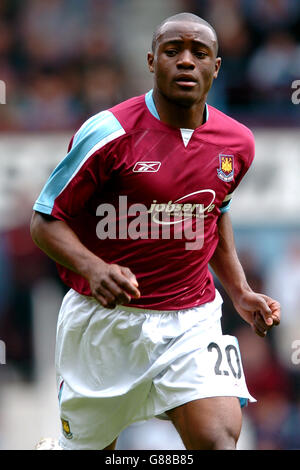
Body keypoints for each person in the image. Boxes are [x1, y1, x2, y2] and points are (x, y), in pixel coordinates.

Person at [30, 13, 280, 451]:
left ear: (216, 67)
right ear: (151, 61)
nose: (186, 61)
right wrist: (95, 269)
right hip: (104, 325)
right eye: (173, 51)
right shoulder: (107, 133)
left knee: (219, 439)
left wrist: (239, 291)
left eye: (199, 53)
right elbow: (44, 220)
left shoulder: (238, 143)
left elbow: (214, 213)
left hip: (192, 319)